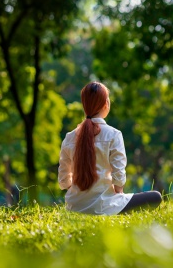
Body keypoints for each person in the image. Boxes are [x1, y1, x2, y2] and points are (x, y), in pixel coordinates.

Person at [58, 81, 162, 215]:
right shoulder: (114, 135)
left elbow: (63, 181)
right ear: (106, 104)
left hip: (75, 207)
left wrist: (80, 195)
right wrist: (118, 194)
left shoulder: (69, 137)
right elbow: (118, 179)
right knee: (156, 197)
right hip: (106, 206)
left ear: (84, 106)